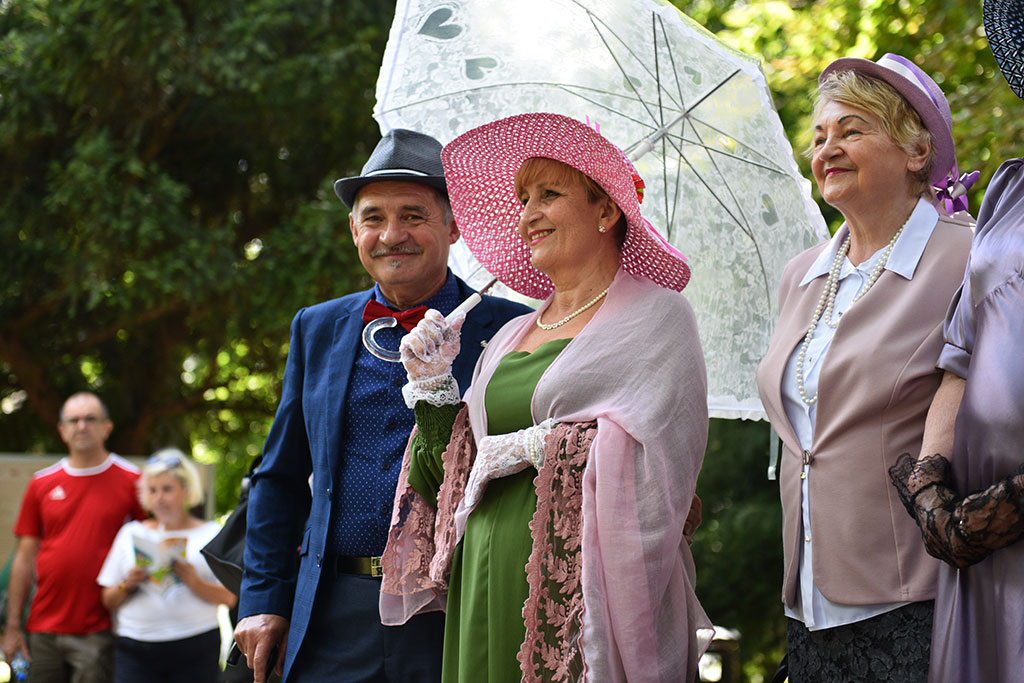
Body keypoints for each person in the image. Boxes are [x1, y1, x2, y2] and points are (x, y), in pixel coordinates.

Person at [379, 112, 712, 682]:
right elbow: (449, 476)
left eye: (549, 194)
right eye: (522, 197)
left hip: (575, 592)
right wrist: (434, 389)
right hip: (481, 573)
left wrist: (536, 446)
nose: (528, 214)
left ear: (606, 210)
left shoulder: (659, 317)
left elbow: (663, 468)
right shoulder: (509, 334)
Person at [233, 128, 531, 683]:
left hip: (458, 606)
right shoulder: (317, 327)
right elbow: (279, 475)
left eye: (414, 215)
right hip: (331, 612)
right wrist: (262, 599)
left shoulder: (513, 330)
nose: (392, 234)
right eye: (373, 218)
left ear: (453, 225)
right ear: (354, 230)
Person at [755, 54, 975, 681]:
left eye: (852, 130)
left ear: (915, 151)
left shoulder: (969, 257)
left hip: (914, 601)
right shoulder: (802, 275)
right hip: (806, 608)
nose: (829, 148)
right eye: (820, 136)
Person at [888, 2, 1024, 679]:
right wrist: (934, 486)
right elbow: (959, 357)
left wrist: (1013, 505)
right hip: (977, 542)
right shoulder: (1007, 194)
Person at [3, 392, 145, 683]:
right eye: (74, 420)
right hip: (43, 626)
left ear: (107, 427)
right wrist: (13, 626)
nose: (82, 426)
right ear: (62, 430)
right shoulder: (42, 483)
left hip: (102, 628)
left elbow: (149, 549)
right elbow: (24, 557)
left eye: (90, 419)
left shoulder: (133, 480)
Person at [97, 448, 234, 683]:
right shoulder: (131, 533)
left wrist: (195, 582)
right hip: (136, 647)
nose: (159, 498)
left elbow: (231, 598)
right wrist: (127, 584)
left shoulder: (211, 533)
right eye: (152, 490)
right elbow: (107, 600)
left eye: (167, 489)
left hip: (196, 645)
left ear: (187, 491)